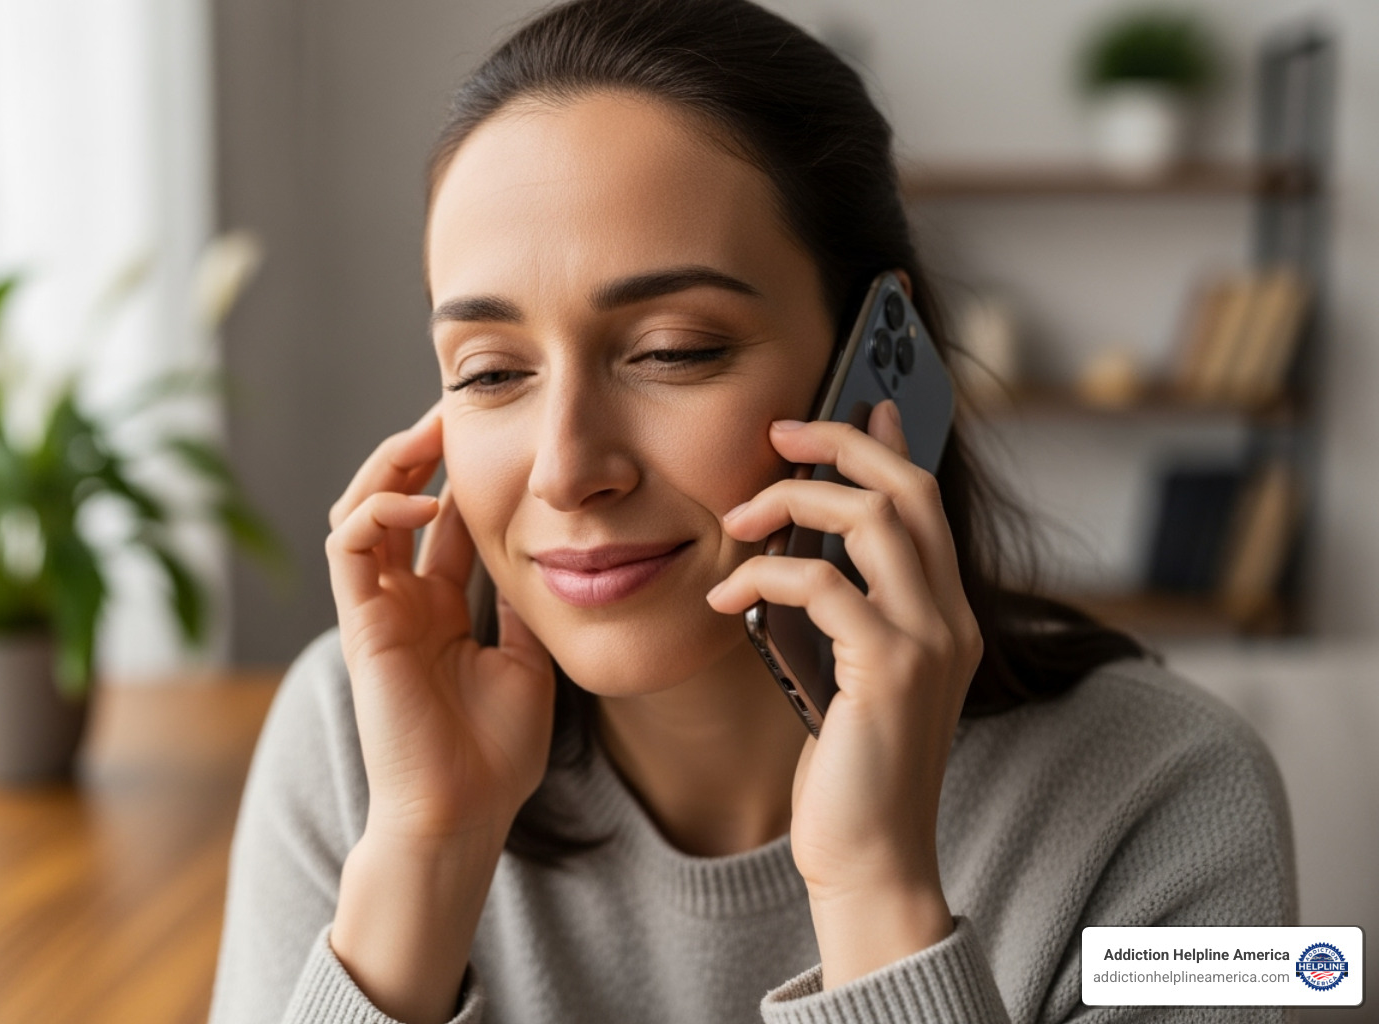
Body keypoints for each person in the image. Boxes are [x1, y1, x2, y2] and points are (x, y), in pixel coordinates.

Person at [207, 2, 1295, 1022]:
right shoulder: (356, 744)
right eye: (489, 371)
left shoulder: (1178, 795)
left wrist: (878, 887)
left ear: (881, 360)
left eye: (676, 352)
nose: (565, 468)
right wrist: (426, 853)